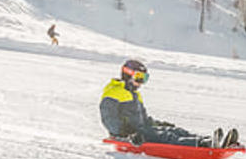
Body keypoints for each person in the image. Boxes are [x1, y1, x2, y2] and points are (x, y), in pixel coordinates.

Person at [100, 58, 237, 148]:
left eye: (144, 78)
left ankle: (210, 140)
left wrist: (157, 123)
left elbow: (142, 119)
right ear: (127, 75)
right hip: (133, 136)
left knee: (174, 131)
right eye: (139, 78)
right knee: (167, 136)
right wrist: (126, 135)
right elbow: (108, 119)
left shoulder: (134, 94)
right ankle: (204, 145)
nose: (141, 83)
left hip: (142, 130)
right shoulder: (113, 92)